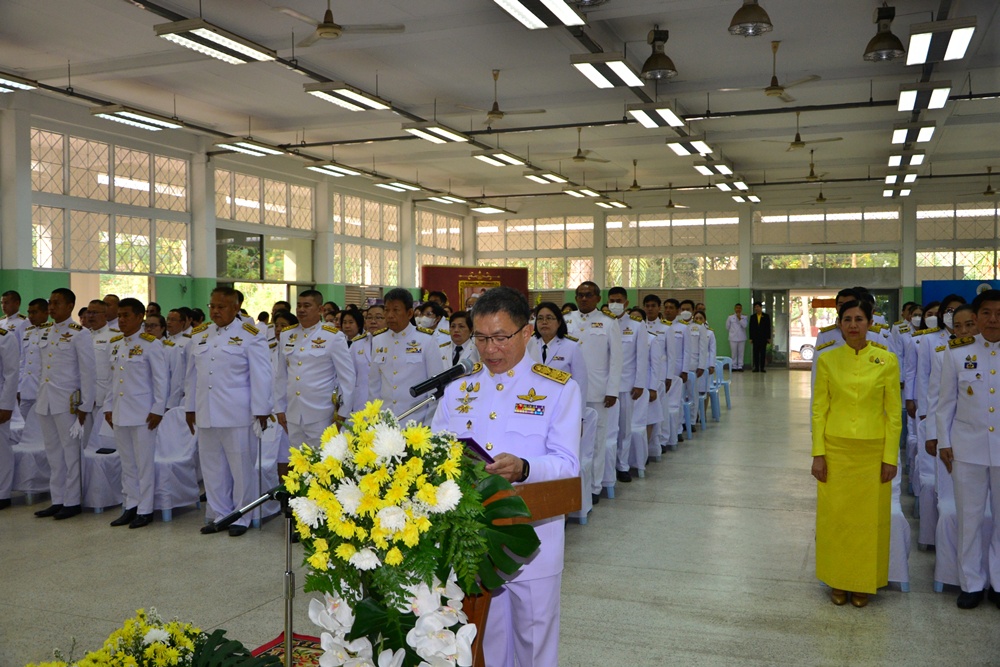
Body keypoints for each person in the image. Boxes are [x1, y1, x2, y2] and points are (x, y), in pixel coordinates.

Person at [431, 286, 581, 667]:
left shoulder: (558, 389)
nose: (490, 349)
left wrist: (525, 468)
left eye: (500, 338)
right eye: (481, 338)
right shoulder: (458, 389)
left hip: (534, 541)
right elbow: (434, 452)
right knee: (488, 641)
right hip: (474, 542)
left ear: (526, 332)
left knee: (534, 642)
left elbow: (567, 464)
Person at [811, 298, 900, 608]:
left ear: (869, 322)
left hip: (872, 452)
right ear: (839, 325)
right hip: (835, 450)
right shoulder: (827, 359)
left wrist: (890, 457)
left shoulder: (886, 360)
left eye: (859, 319)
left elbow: (894, 414)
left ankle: (863, 582)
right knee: (836, 519)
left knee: (868, 522)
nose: (852, 325)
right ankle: (837, 579)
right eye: (847, 319)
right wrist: (818, 453)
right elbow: (819, 410)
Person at [185, 286, 272, 537]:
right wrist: (190, 407)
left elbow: (261, 375)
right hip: (206, 412)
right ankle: (220, 514)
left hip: (238, 413)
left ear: (235, 308)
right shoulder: (200, 334)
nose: (215, 311)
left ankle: (242, 516)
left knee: (241, 468)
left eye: (221, 307)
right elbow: (192, 376)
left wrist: (261, 410)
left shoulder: (251, 334)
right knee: (212, 467)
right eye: (212, 306)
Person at [936, 289, 1000, 610]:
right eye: (986, 314)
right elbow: (945, 402)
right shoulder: (958, 351)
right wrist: (944, 442)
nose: (993, 320)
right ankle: (971, 583)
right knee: (969, 520)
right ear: (975, 319)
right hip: (967, 449)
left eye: (999, 314)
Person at [274, 290, 355, 478]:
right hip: (293, 413)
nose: (301, 310)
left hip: (321, 413)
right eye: (299, 305)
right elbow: (281, 376)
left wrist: (342, 415)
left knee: (322, 467)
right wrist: (279, 407)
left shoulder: (333, 336)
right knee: (300, 467)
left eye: (307, 306)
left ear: (319, 309)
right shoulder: (288, 335)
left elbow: (347, 379)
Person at [34, 288, 97, 521]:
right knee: (53, 453)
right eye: (50, 303)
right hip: (46, 400)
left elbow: (88, 372)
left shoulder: (79, 334)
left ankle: (72, 502)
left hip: (68, 402)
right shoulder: (45, 332)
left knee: (71, 453)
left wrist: (85, 405)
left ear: (70, 306)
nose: (51, 307)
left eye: (57, 303)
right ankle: (57, 499)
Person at [105, 298, 167, 529]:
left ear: (140, 317)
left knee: (143, 463)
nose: (121, 320)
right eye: (119, 315)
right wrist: (108, 408)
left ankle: (145, 509)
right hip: (121, 412)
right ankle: (130, 505)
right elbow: (112, 381)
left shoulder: (151, 344)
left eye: (126, 316)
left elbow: (161, 380)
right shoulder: (116, 343)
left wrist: (158, 409)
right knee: (127, 463)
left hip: (143, 414)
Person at [563, 282, 622, 509]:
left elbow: (616, 360)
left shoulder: (609, 323)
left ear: (598, 298)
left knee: (597, 440)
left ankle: (595, 486)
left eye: (588, 295)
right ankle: (573, 483)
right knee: (570, 440)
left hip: (598, 391)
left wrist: (612, 390)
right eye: (580, 295)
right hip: (570, 390)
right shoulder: (567, 321)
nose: (584, 299)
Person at [368, 288, 443, 424]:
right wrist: (375, 420)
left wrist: (429, 424)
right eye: (387, 310)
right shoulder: (378, 340)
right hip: (386, 420)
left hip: (416, 421)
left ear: (409, 313)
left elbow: (435, 386)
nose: (390, 315)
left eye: (396, 310)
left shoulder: (426, 340)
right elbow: (374, 384)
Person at [605, 287, 648, 485]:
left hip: (627, 385)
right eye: (611, 300)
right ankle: (606, 467)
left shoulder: (637, 326)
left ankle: (622, 466)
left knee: (624, 428)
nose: (615, 303)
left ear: (626, 303)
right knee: (607, 430)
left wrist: (639, 384)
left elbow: (641, 357)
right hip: (606, 385)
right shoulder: (602, 323)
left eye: (618, 300)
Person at [0, 303, 21, 510]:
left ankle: (2, 493)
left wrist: (7, 405)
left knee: (1, 449)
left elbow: (11, 374)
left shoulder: (4, 337)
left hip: (0, 403)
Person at [17, 298, 50, 420]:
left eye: (35, 312)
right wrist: (19, 387)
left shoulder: (52, 331)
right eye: (29, 312)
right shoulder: (27, 332)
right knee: (24, 427)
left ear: (46, 312)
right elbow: (23, 362)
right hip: (26, 388)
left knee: (42, 428)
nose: (31, 316)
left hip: (42, 389)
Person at [748, 302, 772, 373]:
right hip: (755, 338)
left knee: (762, 353)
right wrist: (751, 338)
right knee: (755, 353)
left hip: (763, 338)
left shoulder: (766, 316)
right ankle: (756, 367)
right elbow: (751, 328)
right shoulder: (753, 317)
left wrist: (768, 337)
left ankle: (762, 368)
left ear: (761, 307)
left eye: (758, 307)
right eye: (755, 307)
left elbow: (768, 327)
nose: (756, 308)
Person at [726, 303, 748, 371]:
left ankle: (740, 366)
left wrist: (739, 318)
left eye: (739, 308)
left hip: (742, 337)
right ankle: (734, 366)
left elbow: (745, 326)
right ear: (734, 309)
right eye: (737, 308)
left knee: (741, 353)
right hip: (733, 338)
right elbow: (727, 327)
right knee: (734, 353)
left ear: (741, 309)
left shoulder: (744, 317)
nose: (738, 309)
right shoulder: (730, 317)